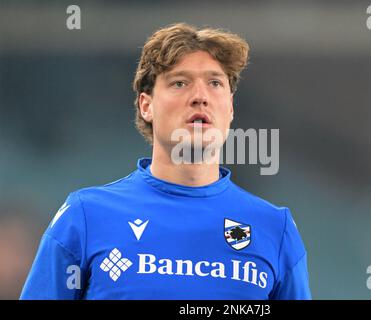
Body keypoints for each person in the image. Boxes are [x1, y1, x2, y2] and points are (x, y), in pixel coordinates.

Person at [20, 23, 311, 300]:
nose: (200, 97)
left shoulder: (275, 228)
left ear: (231, 107)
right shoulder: (85, 216)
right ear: (146, 106)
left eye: (215, 83)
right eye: (180, 83)